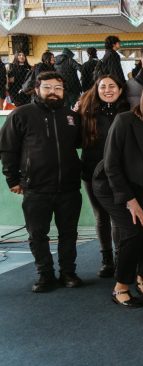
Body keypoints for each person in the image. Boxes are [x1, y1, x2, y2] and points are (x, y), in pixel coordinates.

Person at [92, 77, 143, 307]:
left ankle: (142, 279)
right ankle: (120, 287)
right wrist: (130, 200)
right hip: (111, 184)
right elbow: (111, 164)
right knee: (132, 231)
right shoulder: (125, 120)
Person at [0, 72, 83, 292]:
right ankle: (45, 275)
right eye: (47, 87)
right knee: (37, 234)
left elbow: (81, 143)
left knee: (69, 233)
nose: (53, 92)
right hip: (35, 188)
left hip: (69, 188)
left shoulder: (72, 116)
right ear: (37, 89)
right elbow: (8, 148)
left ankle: (68, 273)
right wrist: (12, 179)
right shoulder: (21, 114)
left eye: (58, 88)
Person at [79, 74, 130, 278]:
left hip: (118, 174)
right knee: (101, 216)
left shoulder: (127, 112)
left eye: (112, 86)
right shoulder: (86, 112)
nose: (108, 90)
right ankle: (106, 259)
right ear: (96, 90)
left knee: (118, 216)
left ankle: (119, 258)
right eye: (103, 87)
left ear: (119, 89)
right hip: (92, 172)